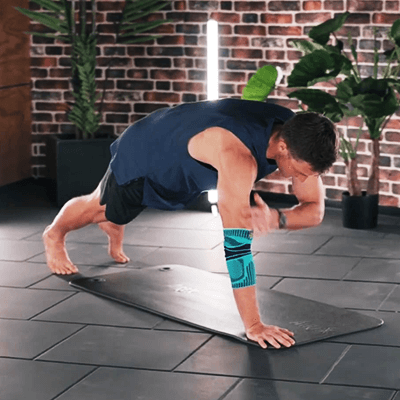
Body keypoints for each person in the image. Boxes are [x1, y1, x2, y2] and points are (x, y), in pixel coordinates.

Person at [43, 98, 338, 349]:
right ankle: (54, 234)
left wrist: (276, 218)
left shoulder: (301, 134)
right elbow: (237, 247)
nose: (301, 180)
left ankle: (115, 221)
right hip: (149, 152)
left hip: (188, 161)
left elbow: (314, 212)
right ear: (283, 147)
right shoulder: (237, 158)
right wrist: (254, 325)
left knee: (120, 213)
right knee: (101, 206)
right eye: (298, 172)